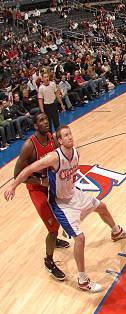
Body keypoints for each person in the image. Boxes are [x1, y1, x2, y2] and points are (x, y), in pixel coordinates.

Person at [4, 125, 126, 293]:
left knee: (102, 206)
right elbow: (29, 169)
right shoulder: (53, 158)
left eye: (70, 134)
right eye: (65, 135)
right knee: (80, 238)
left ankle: (116, 231)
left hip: (74, 195)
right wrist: (13, 186)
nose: (69, 137)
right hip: (61, 203)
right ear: (59, 141)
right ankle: (82, 280)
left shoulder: (76, 153)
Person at [11, 113, 70, 281]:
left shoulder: (51, 137)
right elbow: (17, 175)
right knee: (52, 227)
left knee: (60, 216)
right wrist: (40, 180)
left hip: (51, 185)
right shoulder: (29, 146)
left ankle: (54, 239)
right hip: (37, 189)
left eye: (46, 119)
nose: (46, 122)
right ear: (35, 126)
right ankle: (49, 261)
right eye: (41, 121)